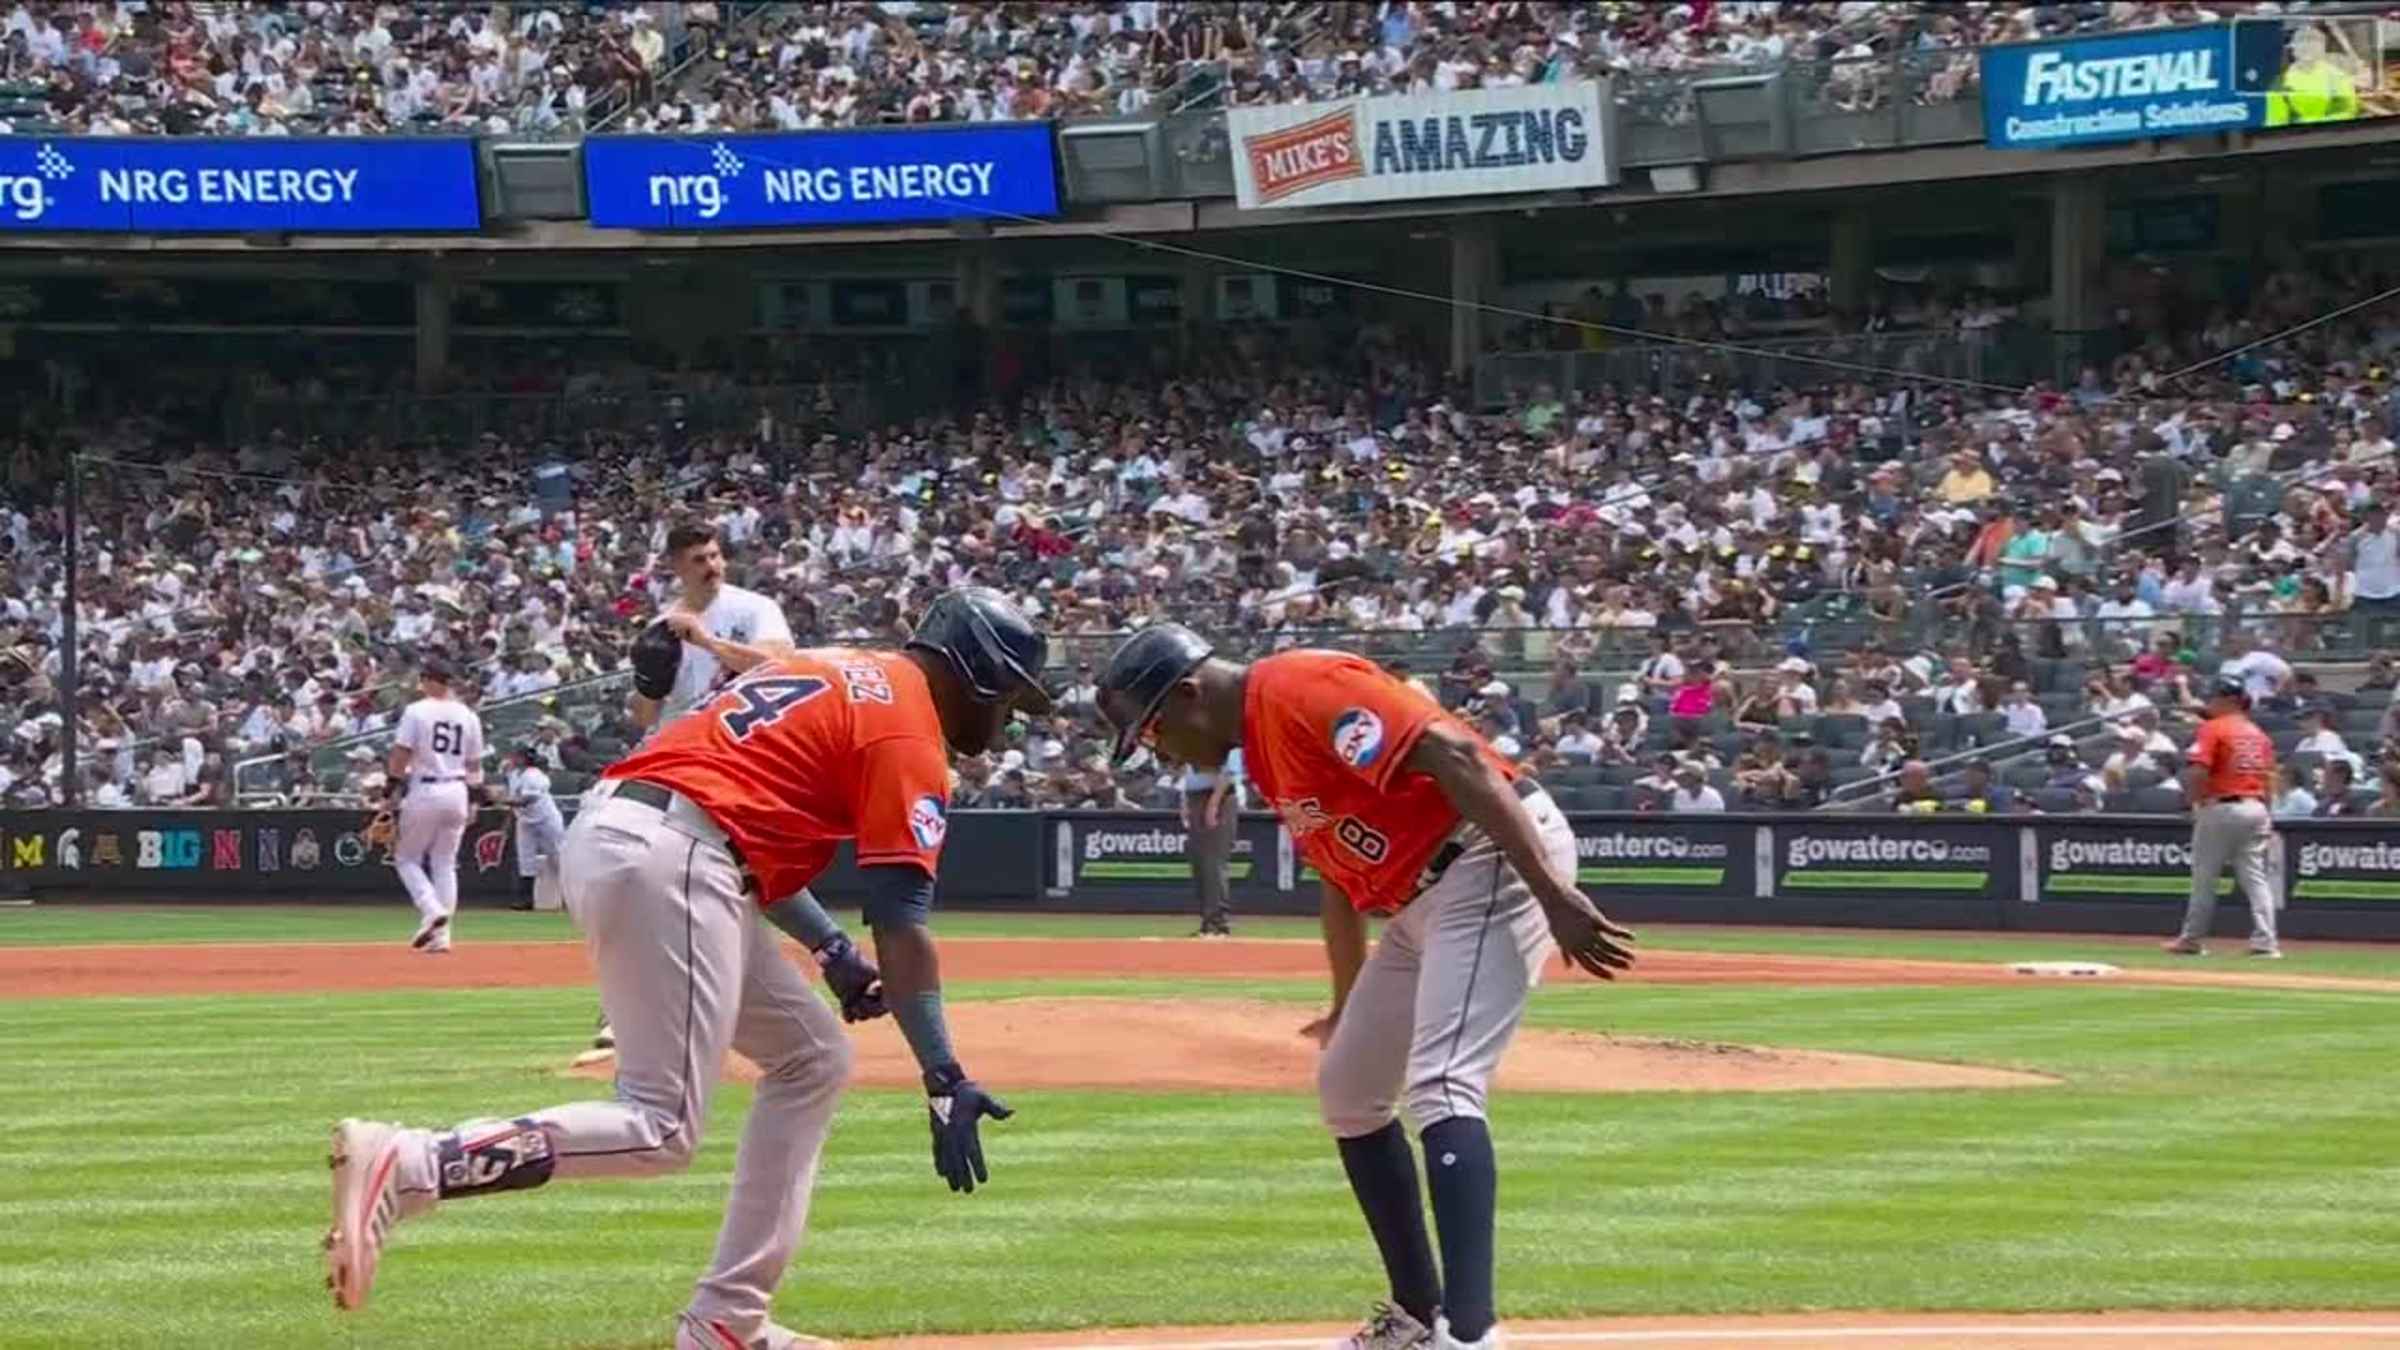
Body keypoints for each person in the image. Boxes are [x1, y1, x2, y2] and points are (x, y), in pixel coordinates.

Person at [323, 588, 1053, 1349]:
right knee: (660, 1124)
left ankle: (727, 1321)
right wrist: (942, 1074)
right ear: (976, 674)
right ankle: (415, 1163)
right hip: (673, 857)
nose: (1006, 725)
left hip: (642, 834)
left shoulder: (837, 667)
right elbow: (902, 922)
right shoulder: (909, 734)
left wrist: (831, 951)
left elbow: (739, 823)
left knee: (812, 1057)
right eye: (1010, 702)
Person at [1094, 623, 1634, 1350]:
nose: (1157, 751)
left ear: (1189, 693)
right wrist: (1349, 1005)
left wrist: (1550, 893)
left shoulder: (1301, 686)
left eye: (1153, 731)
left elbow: (1456, 756)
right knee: (1350, 1088)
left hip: (1489, 856)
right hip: (1420, 895)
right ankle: (1414, 1319)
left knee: (1443, 1084)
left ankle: (1471, 1335)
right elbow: (1340, 887)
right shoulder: (1265, 748)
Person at [2167, 678, 2282, 959]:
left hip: (2222, 805)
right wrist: (2268, 810)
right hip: (2256, 806)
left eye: (2215, 697)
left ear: (2230, 700)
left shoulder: (2213, 728)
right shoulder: (2258, 733)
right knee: (2256, 878)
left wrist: (2193, 801)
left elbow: (2197, 770)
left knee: (2205, 877)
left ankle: (2191, 939)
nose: (2210, 702)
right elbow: (2269, 778)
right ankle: (2266, 942)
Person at [386, 655, 485, 954]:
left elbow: (401, 754)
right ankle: (442, 937)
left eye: (423, 679)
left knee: (406, 858)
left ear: (430, 680)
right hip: (457, 789)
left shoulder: (417, 711)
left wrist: (389, 790)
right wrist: (475, 800)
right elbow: (475, 764)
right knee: (445, 863)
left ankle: (431, 910)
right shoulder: (468, 715)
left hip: (426, 788)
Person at [491, 744, 566, 912]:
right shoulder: (514, 774)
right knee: (525, 860)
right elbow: (516, 804)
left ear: (524, 759)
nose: (513, 759)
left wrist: (500, 800)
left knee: (558, 856)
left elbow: (526, 800)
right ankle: (526, 900)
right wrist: (507, 823)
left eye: (517, 756)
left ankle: (572, 896)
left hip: (547, 820)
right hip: (525, 821)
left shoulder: (535, 776)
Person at [1182, 747, 1245, 937]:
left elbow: (1229, 773)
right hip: (1195, 795)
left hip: (1219, 796)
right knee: (1199, 862)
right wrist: (1185, 802)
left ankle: (1218, 924)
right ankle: (1207, 922)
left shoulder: (1226, 735)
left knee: (1214, 862)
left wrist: (1214, 804)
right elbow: (1188, 773)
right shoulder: (1194, 738)